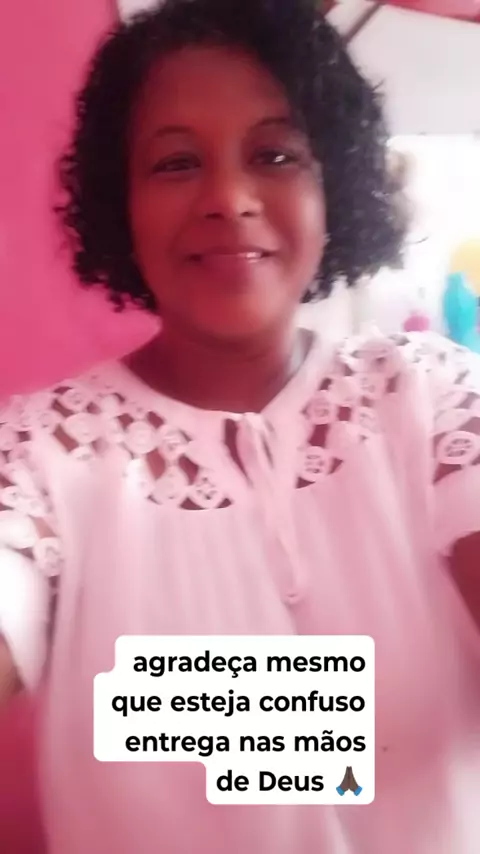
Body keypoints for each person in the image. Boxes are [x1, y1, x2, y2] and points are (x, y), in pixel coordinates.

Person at [1, 1, 480, 851]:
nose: (228, 197)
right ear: (121, 201)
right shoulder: (40, 450)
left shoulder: (434, 394)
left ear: (335, 184)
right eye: (176, 162)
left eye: (276, 154)